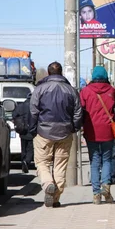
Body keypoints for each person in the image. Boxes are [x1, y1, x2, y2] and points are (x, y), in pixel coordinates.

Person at [30, 62, 82, 208]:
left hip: (43, 132)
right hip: (65, 132)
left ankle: (47, 184)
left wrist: (33, 129)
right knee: (60, 165)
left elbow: (33, 111)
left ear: (48, 73)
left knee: (42, 162)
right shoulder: (71, 90)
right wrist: (74, 128)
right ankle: (55, 199)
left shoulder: (39, 89)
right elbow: (78, 112)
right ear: (61, 73)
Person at [80, 66, 115, 204]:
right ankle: (106, 186)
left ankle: (96, 194)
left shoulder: (85, 91)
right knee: (107, 160)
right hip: (108, 130)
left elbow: (81, 108)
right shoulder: (111, 90)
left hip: (91, 129)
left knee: (95, 161)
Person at [12, 93, 34, 173]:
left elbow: (14, 115)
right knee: (30, 148)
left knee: (23, 147)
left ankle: (23, 161)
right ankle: (27, 161)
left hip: (22, 130)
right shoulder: (34, 106)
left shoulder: (20, 106)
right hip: (31, 130)